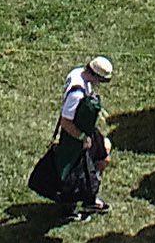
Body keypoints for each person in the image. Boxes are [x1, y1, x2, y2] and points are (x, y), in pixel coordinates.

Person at [34, 57, 114, 217]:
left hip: (86, 130)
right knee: (72, 175)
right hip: (74, 136)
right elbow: (66, 122)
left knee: (104, 153)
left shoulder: (78, 73)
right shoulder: (76, 94)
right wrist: (83, 137)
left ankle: (89, 195)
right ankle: (73, 204)